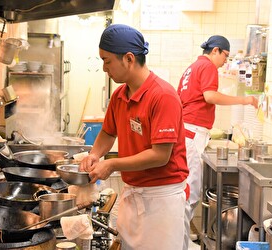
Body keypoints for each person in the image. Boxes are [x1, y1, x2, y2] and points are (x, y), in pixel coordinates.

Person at [79, 24, 189, 250]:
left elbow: (160, 155)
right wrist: (94, 155)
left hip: (161, 203)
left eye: (107, 60)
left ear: (128, 58)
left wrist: (112, 164)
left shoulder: (163, 96)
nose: (104, 68)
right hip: (134, 195)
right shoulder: (120, 94)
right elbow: (109, 132)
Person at [177, 35, 258, 249]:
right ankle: (180, 244)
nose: (225, 61)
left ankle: (181, 240)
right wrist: (245, 100)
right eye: (225, 55)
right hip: (192, 135)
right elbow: (210, 96)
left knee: (186, 192)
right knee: (190, 195)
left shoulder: (193, 67)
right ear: (216, 50)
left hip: (187, 132)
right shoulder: (208, 67)